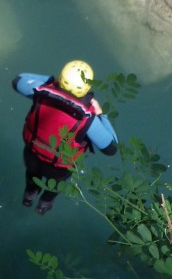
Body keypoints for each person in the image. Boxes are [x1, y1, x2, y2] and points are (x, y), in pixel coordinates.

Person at [13, 60, 118, 215]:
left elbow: (18, 80)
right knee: (55, 186)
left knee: (32, 175)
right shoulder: (88, 119)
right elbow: (111, 148)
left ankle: (28, 197)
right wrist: (101, 115)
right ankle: (44, 205)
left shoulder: (39, 92)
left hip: (32, 155)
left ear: (61, 78)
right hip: (58, 168)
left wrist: (51, 81)